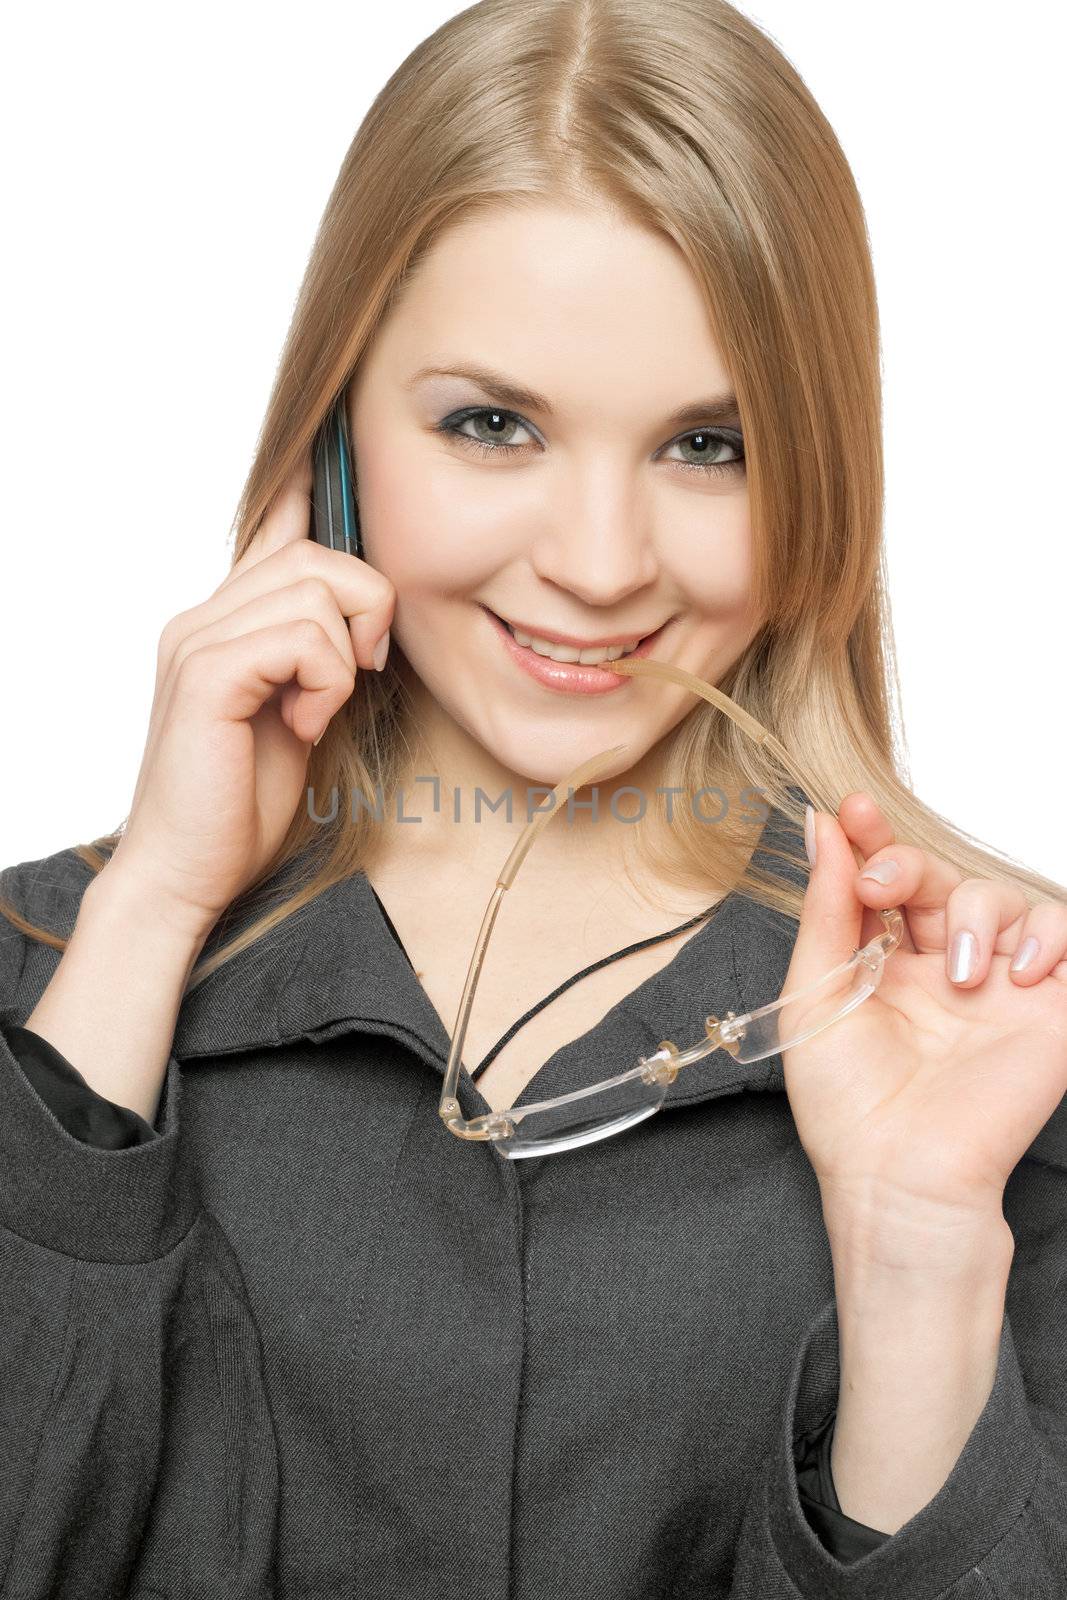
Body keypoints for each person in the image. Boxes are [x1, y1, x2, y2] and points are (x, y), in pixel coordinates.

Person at [2, 1, 1066, 1595]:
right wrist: (151, 908)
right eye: (490, 424)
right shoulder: (55, 975)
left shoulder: (1000, 1042)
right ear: (338, 430)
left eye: (711, 445)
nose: (598, 561)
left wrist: (918, 1261)